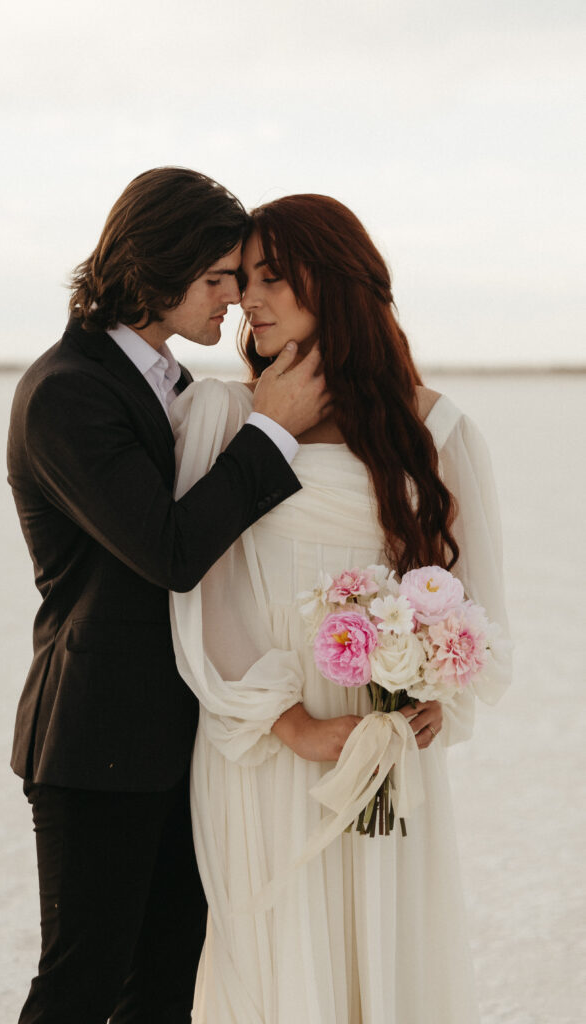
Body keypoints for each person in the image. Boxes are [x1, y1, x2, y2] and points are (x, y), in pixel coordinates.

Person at [169, 194, 512, 1024]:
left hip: (381, 744)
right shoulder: (220, 415)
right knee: (279, 968)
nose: (249, 299)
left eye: (273, 278)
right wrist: (288, 722)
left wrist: (431, 694)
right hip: (267, 745)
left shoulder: (438, 429)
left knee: (382, 963)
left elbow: (472, 601)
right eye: (243, 279)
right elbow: (204, 589)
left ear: (336, 283)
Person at [7, 168, 329, 1024]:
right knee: (80, 985)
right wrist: (272, 431)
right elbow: (170, 550)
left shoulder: (171, 386)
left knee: (164, 991)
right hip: (96, 740)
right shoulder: (67, 392)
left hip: (185, 740)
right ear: (157, 265)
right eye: (218, 277)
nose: (233, 299)